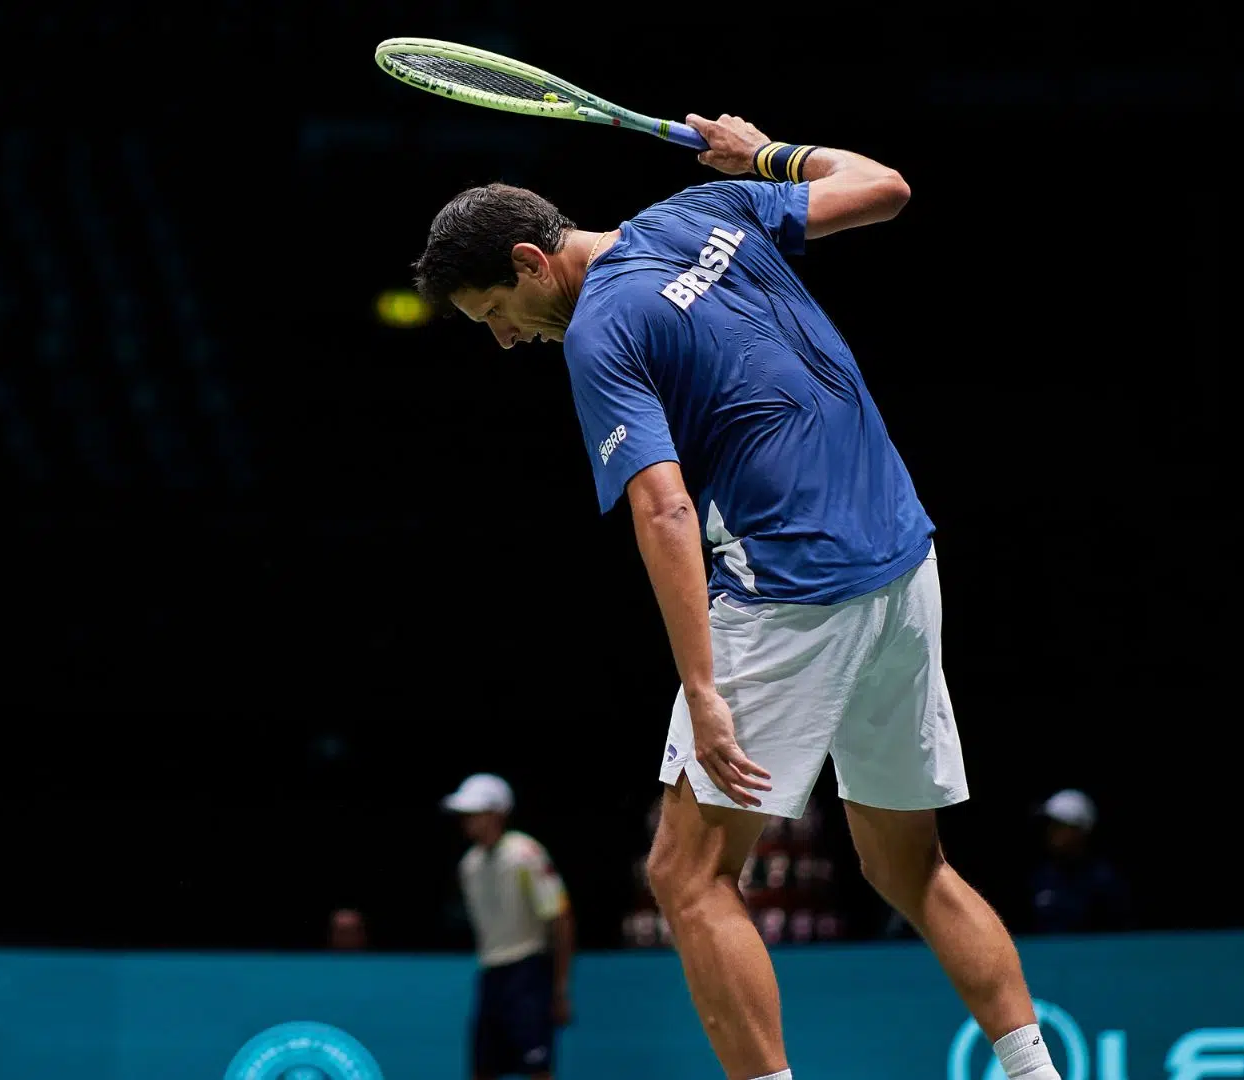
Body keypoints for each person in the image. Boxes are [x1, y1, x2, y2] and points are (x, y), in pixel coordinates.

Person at [411, 114, 1061, 1080]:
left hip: (794, 591)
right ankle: (1035, 1072)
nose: (506, 341)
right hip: (902, 558)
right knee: (905, 865)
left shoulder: (599, 331)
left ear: (530, 260)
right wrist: (765, 154)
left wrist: (704, 687)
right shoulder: (704, 208)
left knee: (687, 875)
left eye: (495, 313)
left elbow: (665, 511)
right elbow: (885, 186)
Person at [442, 773, 576, 1080]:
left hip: (529, 973)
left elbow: (561, 918)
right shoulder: (468, 866)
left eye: (475, 813)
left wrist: (559, 988)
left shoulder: (525, 854)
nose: (467, 820)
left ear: (498, 813)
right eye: (465, 814)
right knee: (483, 1069)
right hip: (491, 974)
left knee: (538, 1069)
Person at [1027, 789, 1133, 933]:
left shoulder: (1105, 881)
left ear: (1080, 830)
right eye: (1051, 825)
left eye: (1060, 825)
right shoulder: (1040, 878)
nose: (1052, 832)